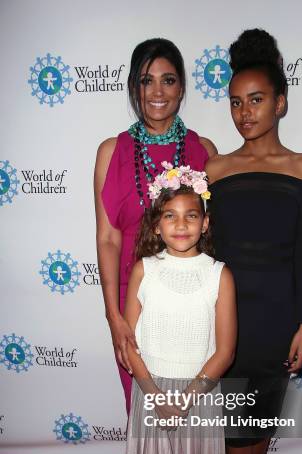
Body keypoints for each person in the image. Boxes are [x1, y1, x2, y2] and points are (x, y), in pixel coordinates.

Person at [206, 28, 302, 454]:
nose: (244, 113)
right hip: (229, 316)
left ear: (280, 102)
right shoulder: (216, 171)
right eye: (234, 102)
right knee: (235, 417)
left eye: (255, 100)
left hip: (280, 314)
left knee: (261, 418)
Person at [123, 163, 236, 454]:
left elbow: (224, 351)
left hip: (199, 394)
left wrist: (185, 399)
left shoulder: (218, 274)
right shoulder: (144, 270)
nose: (181, 224)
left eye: (191, 215)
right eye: (170, 215)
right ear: (157, 224)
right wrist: (154, 395)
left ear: (205, 222)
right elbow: (130, 345)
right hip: (151, 391)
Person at [94, 38, 217, 413]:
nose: (158, 92)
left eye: (169, 80)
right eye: (147, 81)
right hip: (134, 306)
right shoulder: (111, 152)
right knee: (145, 417)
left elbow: (212, 237)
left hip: (192, 305)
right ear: (135, 86)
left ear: (181, 88)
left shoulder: (205, 151)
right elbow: (108, 239)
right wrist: (114, 317)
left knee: (191, 418)